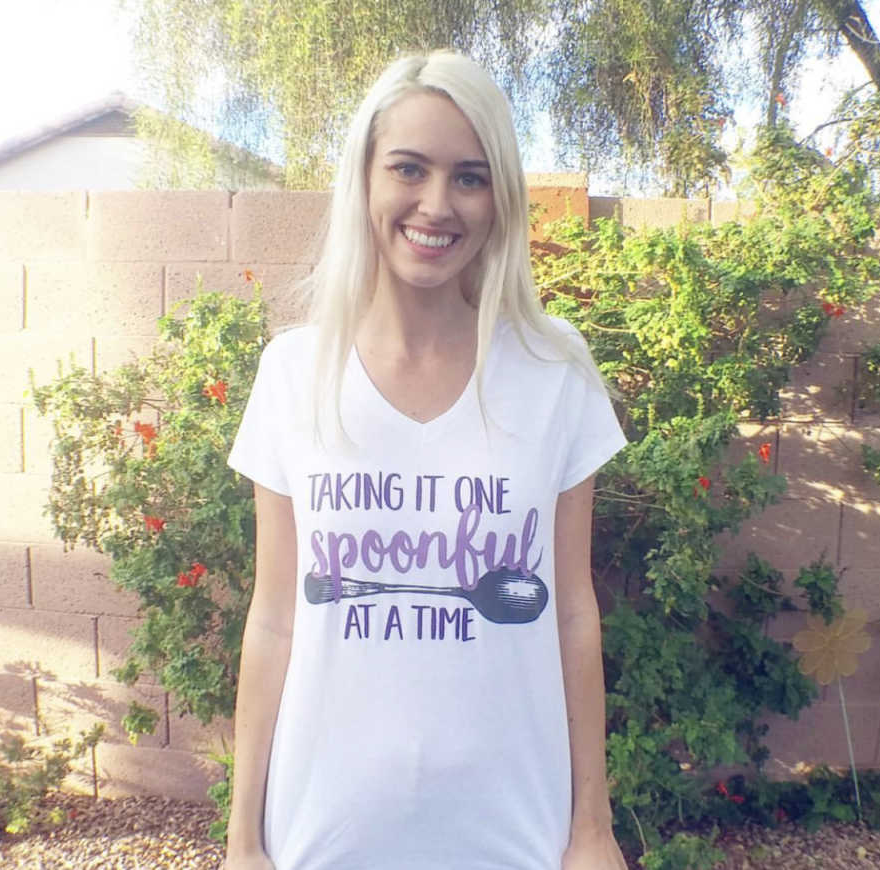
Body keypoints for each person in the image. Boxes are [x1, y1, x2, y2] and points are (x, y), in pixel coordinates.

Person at [224, 50, 628, 870]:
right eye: (409, 168)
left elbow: (573, 614)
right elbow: (273, 619)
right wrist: (243, 842)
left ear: (499, 198)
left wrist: (591, 829)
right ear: (365, 180)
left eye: (471, 177)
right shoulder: (295, 373)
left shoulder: (555, 373)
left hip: (516, 833)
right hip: (322, 836)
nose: (437, 205)